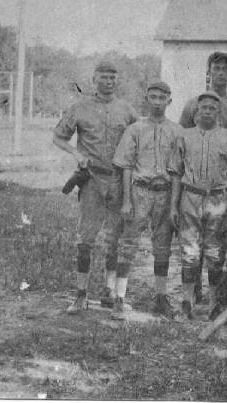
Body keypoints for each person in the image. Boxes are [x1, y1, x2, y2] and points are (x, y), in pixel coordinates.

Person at [53, 61, 138, 314]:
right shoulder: (80, 107)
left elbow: (138, 138)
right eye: (103, 77)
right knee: (86, 238)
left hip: (118, 180)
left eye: (113, 77)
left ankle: (110, 292)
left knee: (115, 238)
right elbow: (58, 136)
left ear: (117, 80)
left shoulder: (126, 110)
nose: (108, 82)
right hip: (91, 179)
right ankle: (81, 294)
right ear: (93, 79)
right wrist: (76, 154)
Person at [168, 91, 227, 320]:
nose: (207, 111)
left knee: (215, 254)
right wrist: (173, 206)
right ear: (196, 110)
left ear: (218, 111)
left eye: (212, 108)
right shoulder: (185, 136)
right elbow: (176, 174)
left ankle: (214, 304)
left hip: (218, 199)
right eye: (202, 107)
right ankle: (187, 301)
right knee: (189, 252)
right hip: (190, 197)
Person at [179, 52, 227, 305]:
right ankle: (192, 293)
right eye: (215, 68)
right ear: (209, 71)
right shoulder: (192, 105)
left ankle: (215, 298)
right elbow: (184, 140)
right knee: (191, 247)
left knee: (214, 247)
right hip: (193, 187)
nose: (220, 73)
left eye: (224, 69)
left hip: (220, 187)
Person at [109, 81, 181, 320]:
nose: (158, 102)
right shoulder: (136, 129)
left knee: (162, 246)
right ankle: (119, 296)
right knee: (128, 243)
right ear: (147, 99)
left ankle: (161, 298)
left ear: (169, 101)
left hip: (165, 191)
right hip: (140, 191)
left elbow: (179, 170)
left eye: (162, 98)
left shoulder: (176, 131)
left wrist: (174, 203)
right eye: (153, 97)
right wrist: (127, 201)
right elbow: (126, 166)